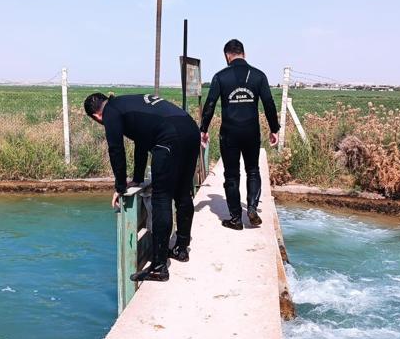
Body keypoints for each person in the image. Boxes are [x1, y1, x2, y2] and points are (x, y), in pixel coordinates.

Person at [85, 92, 200, 282]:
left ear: (96, 117)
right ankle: (181, 248)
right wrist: (137, 178)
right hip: (190, 129)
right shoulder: (126, 103)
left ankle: (159, 266)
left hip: (169, 138)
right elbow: (142, 141)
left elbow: (115, 149)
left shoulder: (110, 112)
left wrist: (120, 186)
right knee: (182, 193)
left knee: (161, 198)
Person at [200, 39, 280, 230]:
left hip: (229, 133)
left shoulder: (220, 76)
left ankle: (235, 218)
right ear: (243, 53)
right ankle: (251, 207)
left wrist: (203, 129)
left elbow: (210, 104)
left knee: (231, 175)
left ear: (228, 55)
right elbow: (269, 103)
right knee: (253, 170)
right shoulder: (259, 76)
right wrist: (274, 129)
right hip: (251, 132)